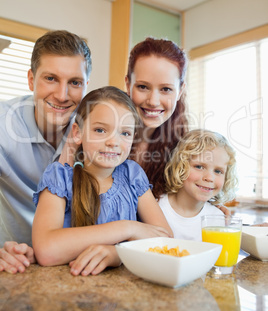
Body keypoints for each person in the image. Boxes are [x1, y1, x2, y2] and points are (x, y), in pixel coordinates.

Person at [32, 86, 172, 276]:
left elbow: (166, 241)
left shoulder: (133, 176)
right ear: (77, 132)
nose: (113, 142)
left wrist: (118, 253)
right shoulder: (60, 178)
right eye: (100, 130)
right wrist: (126, 228)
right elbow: (46, 251)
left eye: (125, 133)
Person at [0, 30, 92, 273]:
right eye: (50, 78)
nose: (62, 95)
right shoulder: (3, 123)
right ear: (31, 80)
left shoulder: (95, 131)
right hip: (13, 264)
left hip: (71, 264)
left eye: (74, 82)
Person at [125, 37, 189, 199]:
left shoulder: (187, 151)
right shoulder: (100, 136)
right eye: (143, 87)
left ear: (180, 91)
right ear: (128, 84)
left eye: (166, 89)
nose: (153, 101)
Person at [158, 129, 238, 241]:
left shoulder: (218, 218)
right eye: (199, 167)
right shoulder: (156, 208)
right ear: (180, 166)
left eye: (218, 171)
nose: (209, 178)